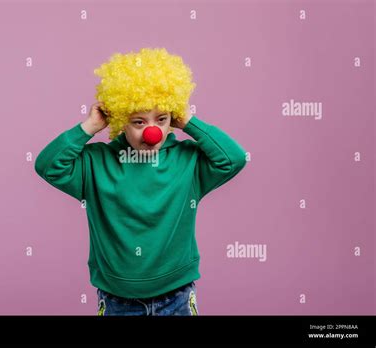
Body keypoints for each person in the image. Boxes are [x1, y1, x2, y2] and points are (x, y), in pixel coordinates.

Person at [34, 48, 247, 315]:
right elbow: (48, 166)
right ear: (121, 120)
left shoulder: (188, 162)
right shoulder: (96, 163)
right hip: (117, 300)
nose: (152, 131)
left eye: (161, 119)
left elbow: (234, 159)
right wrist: (90, 126)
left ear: (173, 119)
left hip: (177, 296)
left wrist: (189, 122)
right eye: (138, 121)